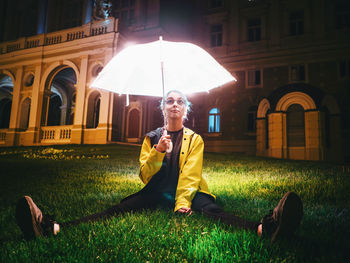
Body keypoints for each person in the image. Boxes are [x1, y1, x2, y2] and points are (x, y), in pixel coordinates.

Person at [15, 90, 303, 242]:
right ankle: (50, 226)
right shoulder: (153, 136)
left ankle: (267, 228)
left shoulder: (195, 138)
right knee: (119, 208)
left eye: (180, 101)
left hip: (187, 192)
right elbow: (144, 174)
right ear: (163, 108)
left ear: (186, 109)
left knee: (213, 210)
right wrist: (157, 151)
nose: (175, 105)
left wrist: (182, 202)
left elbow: (191, 174)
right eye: (170, 101)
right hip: (155, 191)